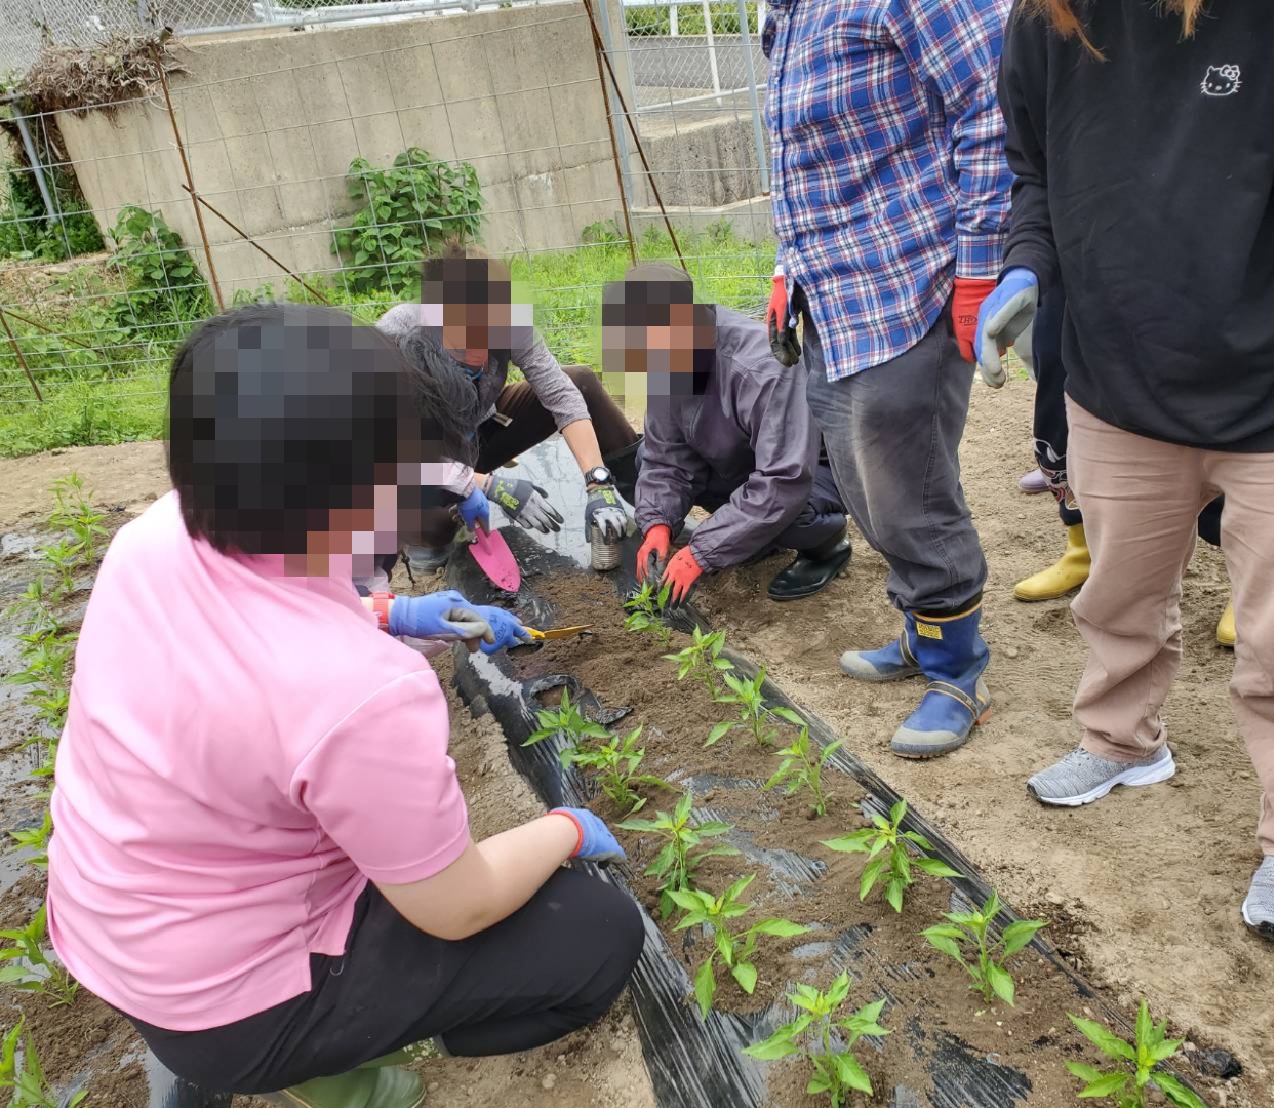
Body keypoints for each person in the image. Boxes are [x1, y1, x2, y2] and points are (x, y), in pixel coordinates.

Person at [47, 305, 644, 1108]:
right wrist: (565, 827)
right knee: (596, 933)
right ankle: (324, 1063)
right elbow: (458, 907)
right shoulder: (364, 693)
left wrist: (396, 612)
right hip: (231, 1006)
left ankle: (268, 1042)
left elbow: (259, 637)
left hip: (109, 930)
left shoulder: (153, 537)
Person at [983, 0, 1274, 943]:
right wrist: (1027, 263)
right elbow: (1036, 172)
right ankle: (1121, 743)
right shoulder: (1049, 19)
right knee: (1117, 597)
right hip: (1116, 382)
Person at [762, 0, 1013, 758]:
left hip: (908, 280)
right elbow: (802, 160)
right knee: (866, 486)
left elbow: (993, 102)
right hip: (832, 293)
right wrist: (786, 268)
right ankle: (923, 629)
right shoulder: (787, 12)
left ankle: (957, 669)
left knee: (913, 493)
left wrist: (980, 269)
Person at [377, 242, 643, 574]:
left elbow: (560, 394)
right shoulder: (400, 333)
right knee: (436, 525)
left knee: (580, 382)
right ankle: (428, 532)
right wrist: (487, 485)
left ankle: (648, 501)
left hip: (478, 433)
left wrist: (597, 482)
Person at [1011, 282, 1238, 647]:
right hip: (1076, 281)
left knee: (1198, 420)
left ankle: (1246, 577)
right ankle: (1083, 550)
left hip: (1166, 281)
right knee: (1059, 397)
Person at [609, 264, 851, 602]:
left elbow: (784, 479)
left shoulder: (762, 368)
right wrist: (658, 525)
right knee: (643, 456)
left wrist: (699, 554)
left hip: (811, 470)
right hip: (743, 461)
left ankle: (829, 545)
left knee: (791, 514)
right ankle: (754, 537)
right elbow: (665, 458)